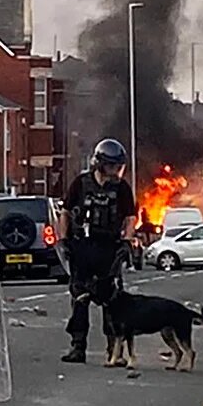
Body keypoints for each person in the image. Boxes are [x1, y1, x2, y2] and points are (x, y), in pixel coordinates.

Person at [59, 139, 139, 364]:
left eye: (119, 166)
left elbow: (130, 217)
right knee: (80, 298)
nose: (116, 171)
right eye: (113, 166)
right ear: (100, 164)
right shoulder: (81, 184)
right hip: (83, 247)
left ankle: (114, 351)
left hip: (109, 249)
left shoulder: (121, 188)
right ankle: (78, 346)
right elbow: (65, 211)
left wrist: (127, 241)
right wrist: (63, 240)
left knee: (111, 300)